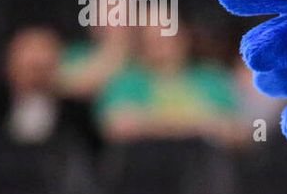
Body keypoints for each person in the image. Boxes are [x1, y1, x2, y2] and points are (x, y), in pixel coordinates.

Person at [95, 22, 240, 144]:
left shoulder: (210, 78)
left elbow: (235, 130)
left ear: (183, 37)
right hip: (144, 162)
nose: (160, 44)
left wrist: (151, 122)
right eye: (153, 39)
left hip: (202, 166)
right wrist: (197, 123)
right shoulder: (127, 81)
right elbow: (118, 126)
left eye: (166, 37)